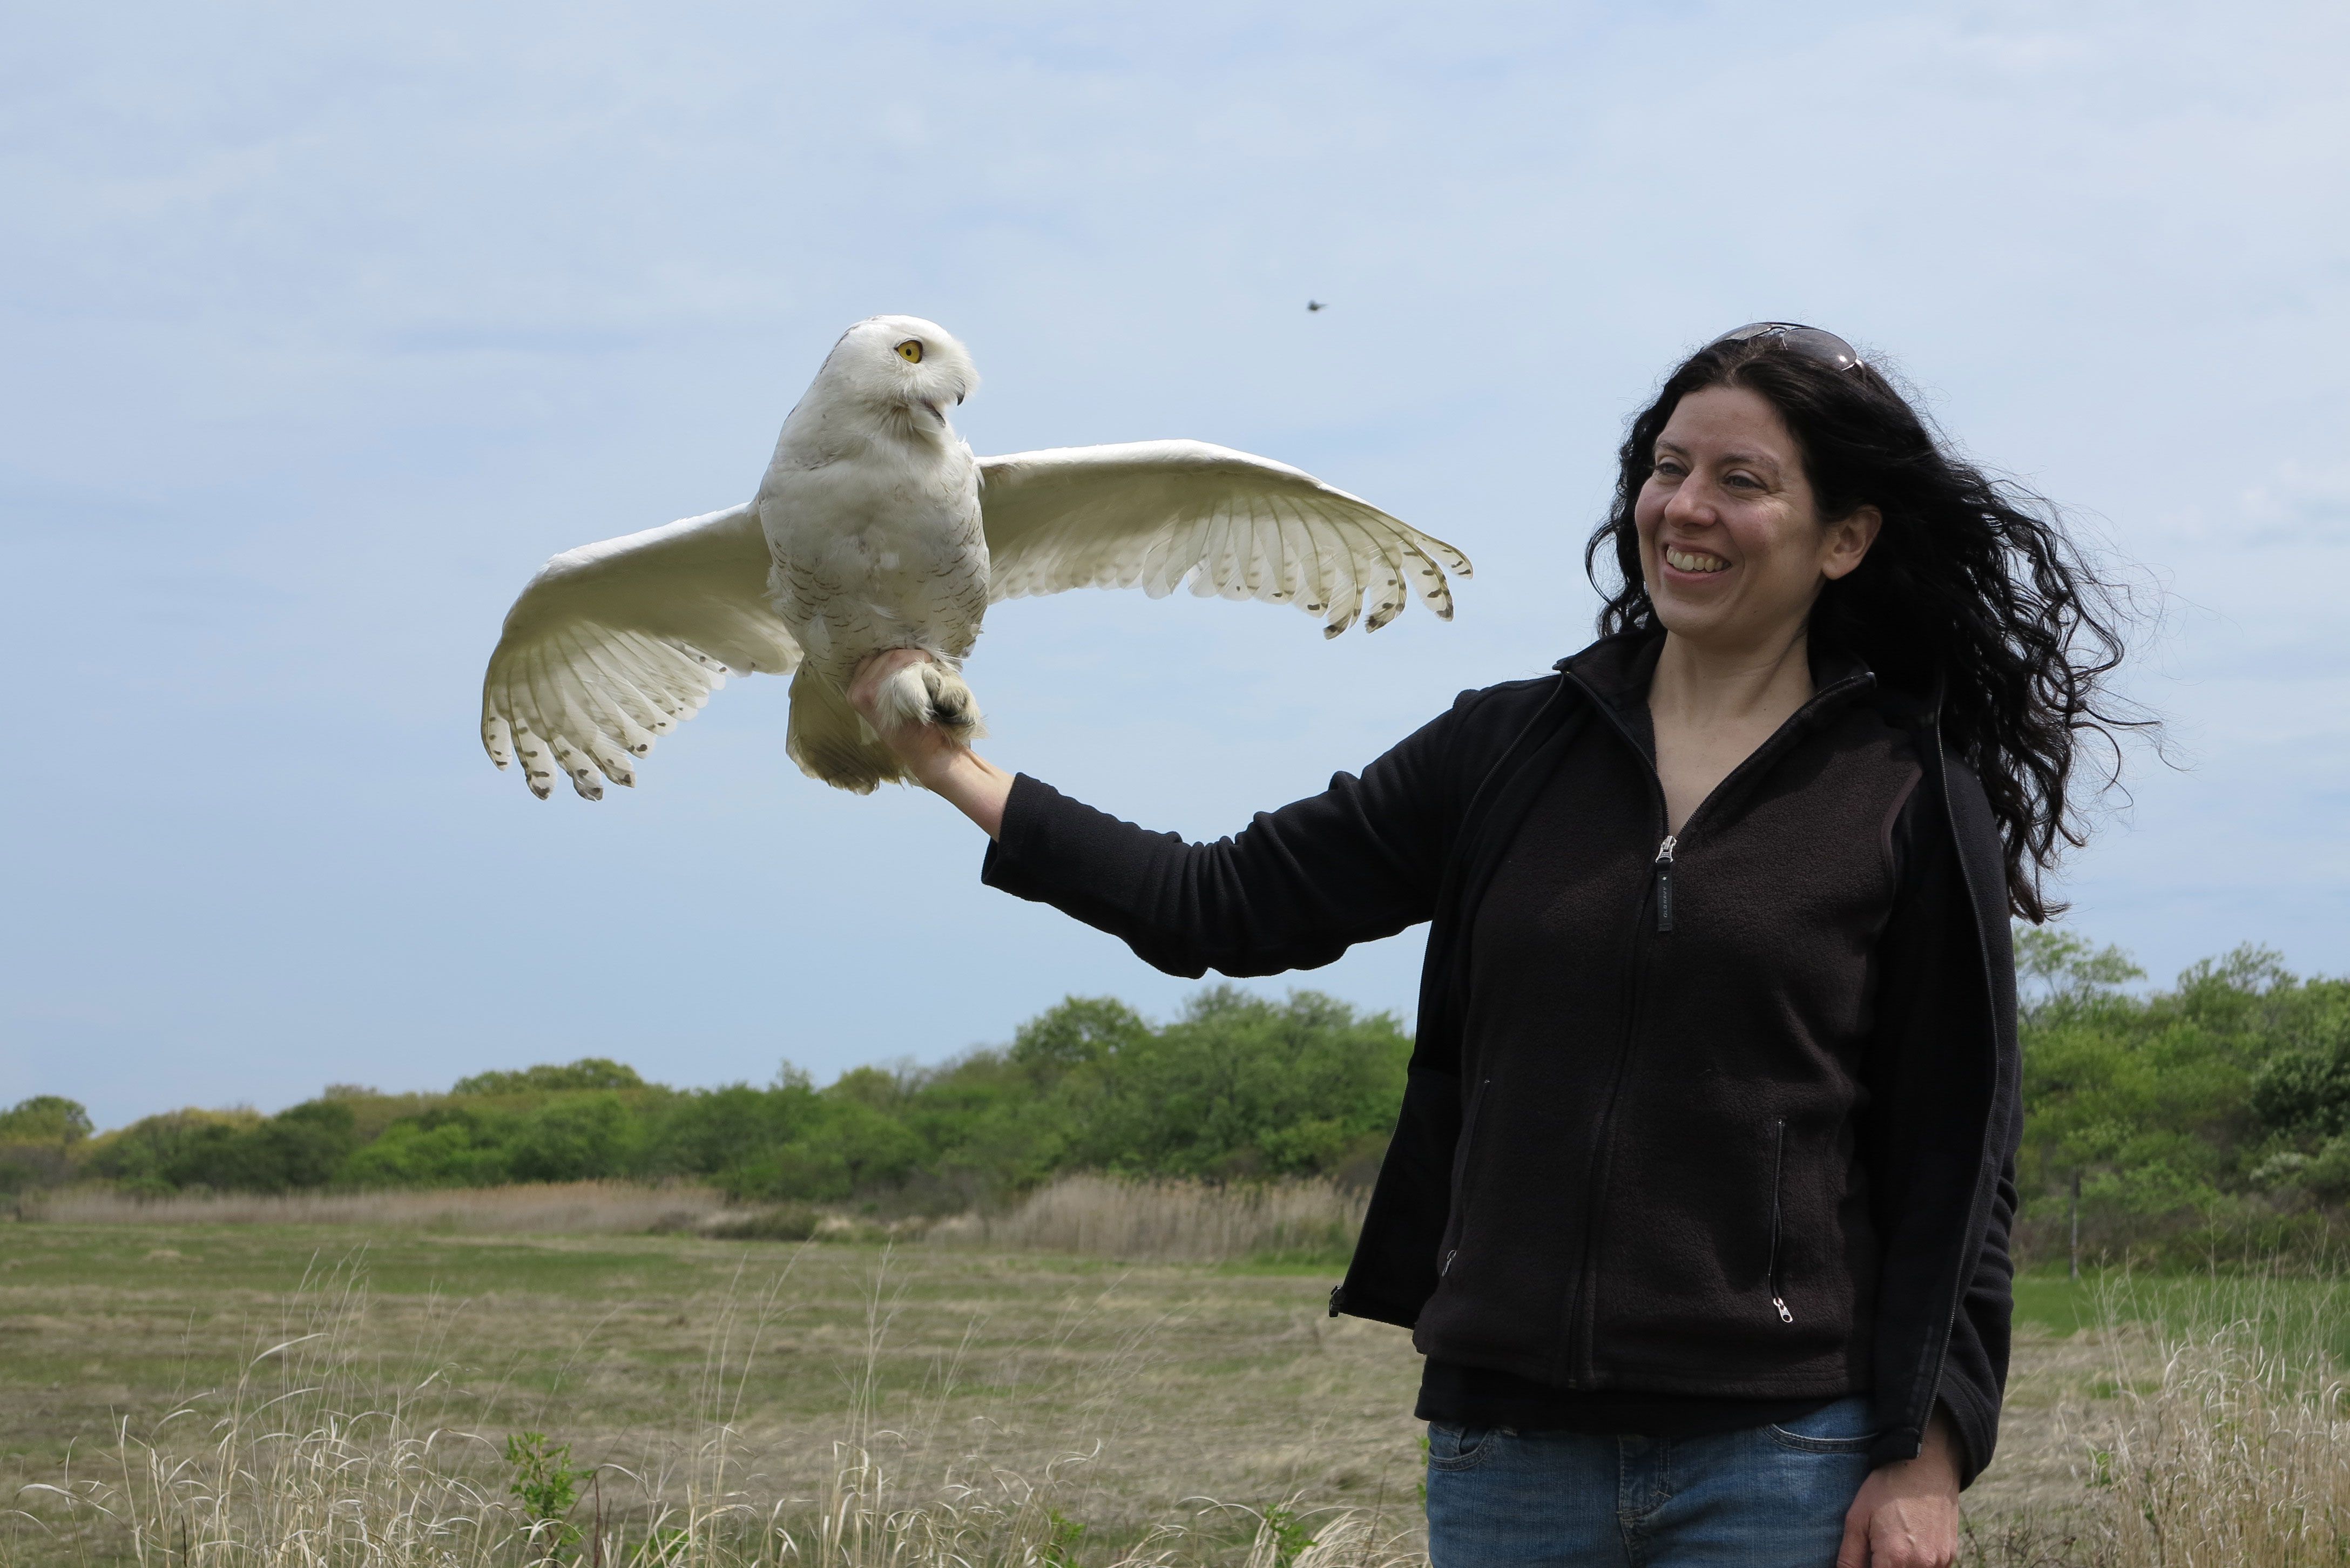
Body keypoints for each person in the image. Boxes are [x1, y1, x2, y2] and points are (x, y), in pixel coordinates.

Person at [846, 323, 2139, 1568]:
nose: (1684, 507)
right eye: (1667, 468)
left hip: (1782, 1453)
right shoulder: (1507, 748)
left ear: (1844, 539)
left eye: (1741, 482)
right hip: (1507, 1453)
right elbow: (1220, 902)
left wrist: (1931, 1455)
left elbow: (1959, 1154)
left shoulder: (1905, 788)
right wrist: (948, 764)